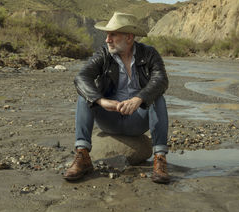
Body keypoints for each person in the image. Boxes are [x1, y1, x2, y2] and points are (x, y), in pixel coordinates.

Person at [63, 12, 170, 184]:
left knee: (158, 98)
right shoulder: (104, 54)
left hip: (138, 119)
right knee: (85, 96)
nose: (107, 40)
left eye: (112, 35)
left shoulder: (149, 53)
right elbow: (81, 77)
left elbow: (161, 80)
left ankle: (160, 159)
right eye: (107, 35)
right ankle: (82, 156)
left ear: (129, 37)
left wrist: (139, 99)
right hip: (109, 118)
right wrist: (101, 101)